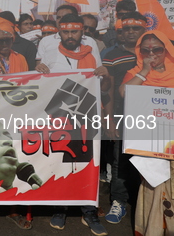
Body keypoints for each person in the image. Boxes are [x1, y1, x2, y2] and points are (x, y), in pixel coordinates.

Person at [35, 14, 109, 236]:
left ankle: (89, 211)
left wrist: (104, 75)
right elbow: (39, 79)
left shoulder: (92, 46)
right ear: (59, 31)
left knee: (87, 163)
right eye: (65, 32)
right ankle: (60, 209)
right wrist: (38, 69)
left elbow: (98, 77)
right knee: (60, 162)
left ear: (82, 32)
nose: (70, 36)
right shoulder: (47, 46)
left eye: (74, 32)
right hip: (58, 115)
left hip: (86, 113)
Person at [119, 30, 174, 235]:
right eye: (146, 50)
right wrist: (144, 71)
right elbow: (124, 92)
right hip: (151, 146)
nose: (152, 53)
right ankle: (154, 229)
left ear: (166, 49)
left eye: (157, 49)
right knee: (154, 186)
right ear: (140, 53)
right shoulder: (136, 72)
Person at [102, 13, 147, 225]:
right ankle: (118, 201)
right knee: (121, 161)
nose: (130, 32)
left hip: (153, 117)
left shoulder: (154, 52)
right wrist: (109, 120)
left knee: (149, 161)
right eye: (126, 28)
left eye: (135, 28)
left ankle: (146, 203)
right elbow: (109, 90)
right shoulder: (111, 54)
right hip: (122, 115)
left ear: (144, 30)